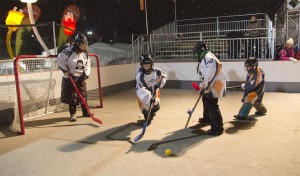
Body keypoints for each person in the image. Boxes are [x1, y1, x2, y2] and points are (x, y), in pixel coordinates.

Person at [192, 41, 226, 135]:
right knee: (205, 100)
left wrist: (204, 84)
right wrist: (203, 84)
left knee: (212, 105)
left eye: (197, 53)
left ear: (200, 51)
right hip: (209, 84)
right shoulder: (205, 57)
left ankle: (218, 128)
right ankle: (207, 118)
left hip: (214, 84)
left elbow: (209, 73)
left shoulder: (209, 58)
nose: (196, 55)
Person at [56, 33, 91, 122]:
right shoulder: (69, 51)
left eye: (85, 44)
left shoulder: (85, 53)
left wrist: (86, 74)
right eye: (83, 44)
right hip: (71, 77)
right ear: (78, 43)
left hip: (81, 77)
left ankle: (86, 112)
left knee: (83, 95)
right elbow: (59, 60)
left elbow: (88, 64)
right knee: (73, 97)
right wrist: (65, 71)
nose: (85, 46)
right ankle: (73, 114)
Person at [136, 54, 166, 125]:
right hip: (144, 94)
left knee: (156, 107)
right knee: (146, 109)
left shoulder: (157, 71)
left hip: (154, 92)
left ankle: (152, 112)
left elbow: (163, 78)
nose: (146, 66)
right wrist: (149, 97)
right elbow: (141, 90)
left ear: (151, 64)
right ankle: (147, 115)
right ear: (142, 65)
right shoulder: (140, 76)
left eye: (148, 64)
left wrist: (157, 88)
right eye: (144, 65)